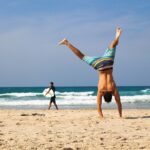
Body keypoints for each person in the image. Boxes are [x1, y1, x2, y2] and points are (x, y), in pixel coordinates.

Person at [59, 27, 122, 118]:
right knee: (82, 56)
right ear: (104, 95)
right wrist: (101, 116)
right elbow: (99, 107)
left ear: (111, 95)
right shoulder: (101, 91)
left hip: (108, 62)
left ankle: (117, 37)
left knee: (112, 45)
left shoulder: (113, 89)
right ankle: (66, 43)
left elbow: (119, 104)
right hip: (99, 66)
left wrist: (120, 115)